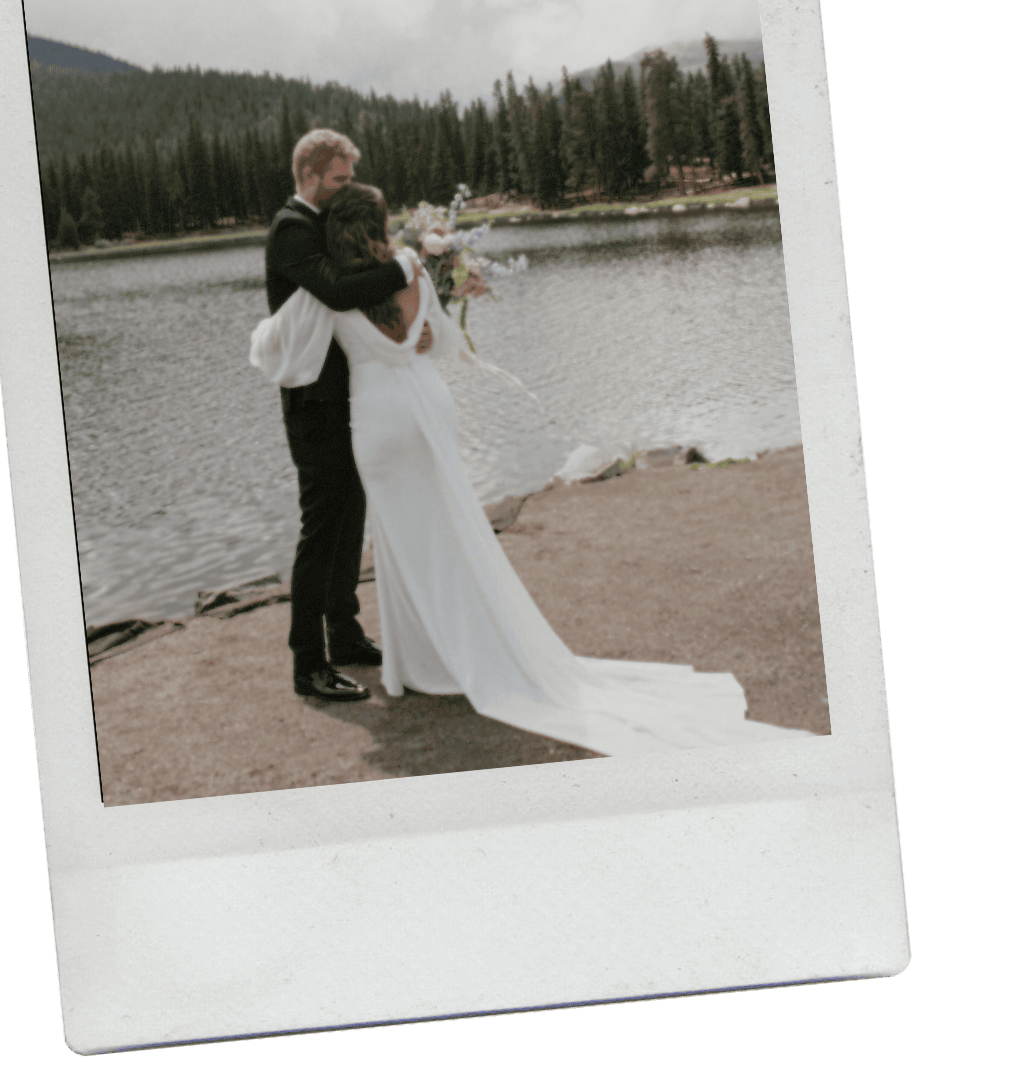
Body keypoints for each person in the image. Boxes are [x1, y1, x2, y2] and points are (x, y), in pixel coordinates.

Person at [251, 182, 814, 757]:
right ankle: (460, 649)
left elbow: (273, 350)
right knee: (454, 529)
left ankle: (421, 660)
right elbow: (441, 345)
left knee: (405, 543)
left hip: (378, 421)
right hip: (426, 404)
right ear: (381, 225)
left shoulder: (329, 295)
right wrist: (417, 325)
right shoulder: (413, 268)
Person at [265, 129, 425, 703]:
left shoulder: (314, 221)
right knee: (321, 530)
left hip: (344, 395)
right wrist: (406, 266)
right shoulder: (291, 230)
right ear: (310, 176)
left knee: (349, 517)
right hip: (312, 403)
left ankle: (346, 634)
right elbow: (334, 292)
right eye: (338, 179)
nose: (345, 188)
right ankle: (307, 664)